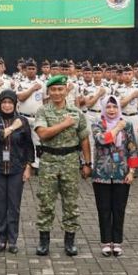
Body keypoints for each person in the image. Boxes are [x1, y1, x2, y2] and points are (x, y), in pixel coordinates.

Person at [34, 74, 91, 256]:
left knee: (71, 203)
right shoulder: (43, 111)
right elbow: (43, 134)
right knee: (46, 202)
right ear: (48, 92)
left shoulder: (77, 113)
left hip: (70, 160)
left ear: (66, 90)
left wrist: (87, 163)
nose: (57, 93)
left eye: (60, 89)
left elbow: (84, 139)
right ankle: (44, 241)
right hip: (49, 160)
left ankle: (70, 241)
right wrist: (64, 124)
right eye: (53, 90)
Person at [90, 95, 138, 256]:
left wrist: (132, 172)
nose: (112, 110)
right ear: (104, 108)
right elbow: (101, 140)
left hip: (122, 173)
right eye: (109, 107)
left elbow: (132, 148)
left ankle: (117, 242)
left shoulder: (128, 124)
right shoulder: (98, 123)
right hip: (101, 174)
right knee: (104, 209)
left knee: (119, 209)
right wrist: (117, 128)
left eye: (115, 107)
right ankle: (105, 242)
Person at [0, 89, 34, 253]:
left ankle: (12, 240)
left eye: (10, 102)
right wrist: (13, 128)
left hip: (16, 169)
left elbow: (29, 145)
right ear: (0, 104)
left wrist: (28, 166)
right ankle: (1, 239)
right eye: (4, 102)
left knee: (14, 206)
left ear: (15, 104)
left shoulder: (23, 121)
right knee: (0, 206)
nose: (7, 105)